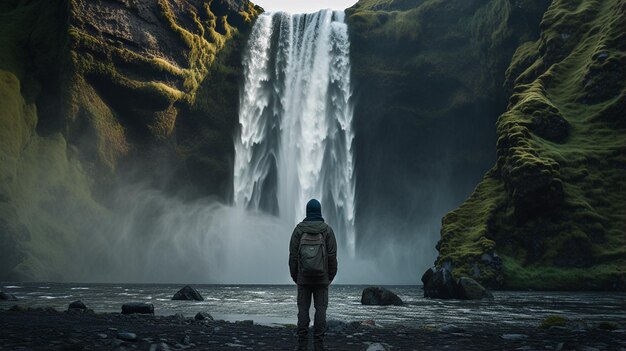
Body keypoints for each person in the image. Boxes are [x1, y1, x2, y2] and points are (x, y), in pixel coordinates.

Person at [289, 199, 338, 351]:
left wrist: (295, 277)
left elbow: (292, 257)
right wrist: (330, 277)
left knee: (303, 310)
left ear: (307, 211)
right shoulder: (327, 230)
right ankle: (319, 344)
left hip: (303, 278)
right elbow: (332, 256)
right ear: (319, 211)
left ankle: (302, 344)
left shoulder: (298, 230)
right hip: (322, 279)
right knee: (321, 309)